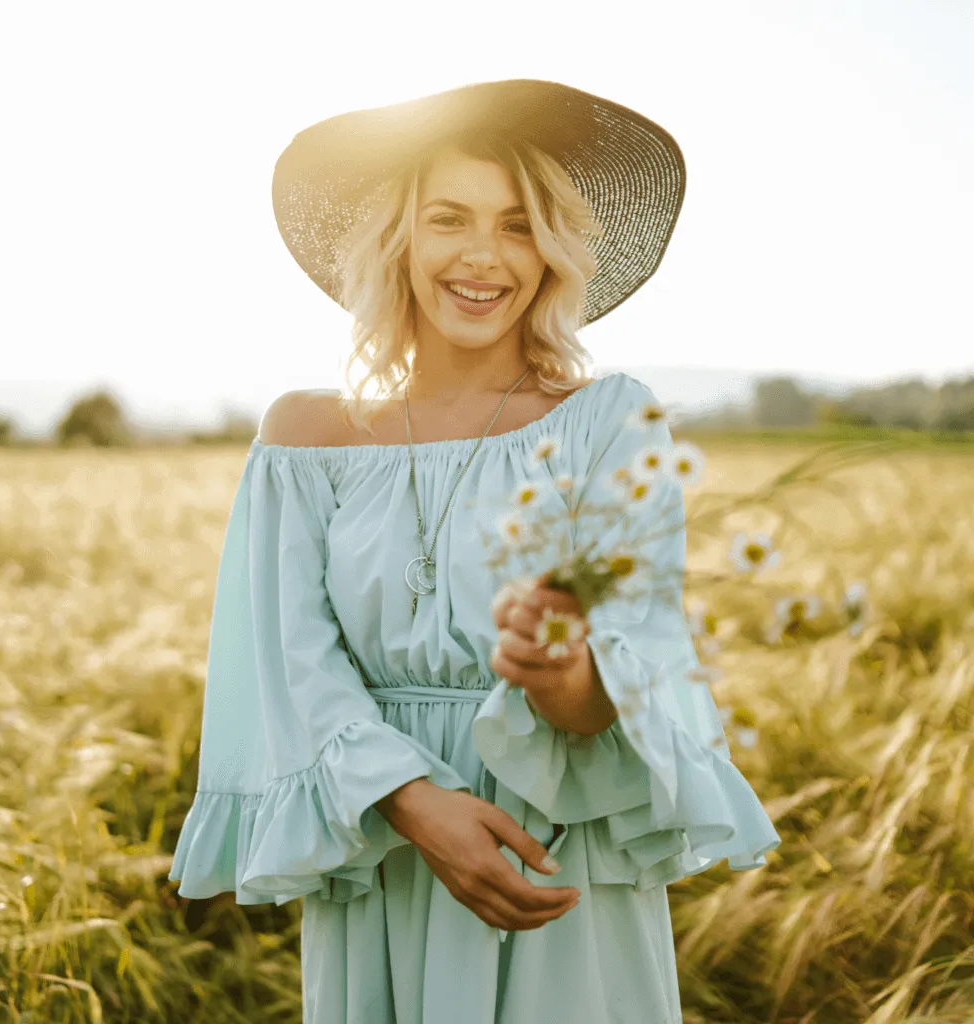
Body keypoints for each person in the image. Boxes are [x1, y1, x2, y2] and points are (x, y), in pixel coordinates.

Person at [168, 79, 782, 1024]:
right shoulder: (303, 437)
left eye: (520, 224)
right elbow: (287, 664)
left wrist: (558, 671)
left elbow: (626, 688)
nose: (484, 256)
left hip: (553, 849)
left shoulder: (608, 425)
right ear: (397, 241)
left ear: (552, 253)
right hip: (381, 843)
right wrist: (416, 803)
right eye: (448, 218)